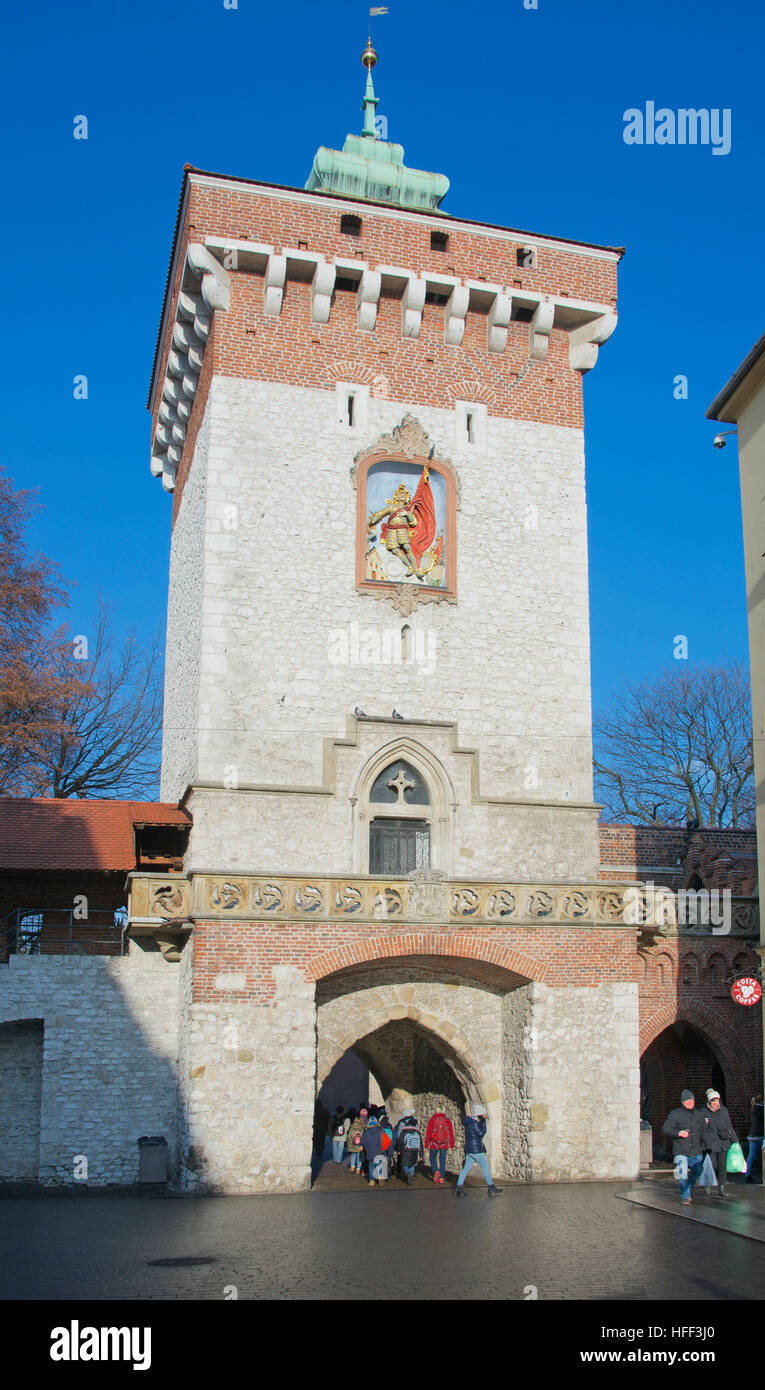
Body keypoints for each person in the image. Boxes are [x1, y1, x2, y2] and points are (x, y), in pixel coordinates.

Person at [662, 1089, 706, 1205]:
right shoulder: (675, 1114)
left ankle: (687, 1189)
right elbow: (665, 1128)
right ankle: (685, 1196)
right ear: (682, 1102)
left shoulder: (699, 1114)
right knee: (682, 1175)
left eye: (692, 1100)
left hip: (696, 1149)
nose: (690, 1102)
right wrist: (678, 1133)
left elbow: (704, 1131)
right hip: (681, 1150)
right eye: (687, 1101)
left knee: (698, 1170)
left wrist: (707, 1145)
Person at [454, 1106, 502, 1197]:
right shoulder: (474, 1123)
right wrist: (483, 1123)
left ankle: (458, 1188)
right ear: (480, 1114)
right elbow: (481, 1133)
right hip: (476, 1149)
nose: (484, 1116)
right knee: (485, 1167)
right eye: (483, 1114)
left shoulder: (469, 1121)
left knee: (466, 1169)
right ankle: (491, 1187)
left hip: (469, 1149)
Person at [701, 1089, 738, 1198]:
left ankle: (721, 1187)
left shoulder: (724, 1111)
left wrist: (735, 1140)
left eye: (717, 1100)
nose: (715, 1103)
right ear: (709, 1101)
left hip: (723, 1142)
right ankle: (708, 1183)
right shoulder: (703, 1112)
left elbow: (729, 1125)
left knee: (722, 1166)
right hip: (710, 1143)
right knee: (712, 1165)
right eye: (713, 1100)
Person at [425, 1110, 455, 1184]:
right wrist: (451, 1144)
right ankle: (441, 1178)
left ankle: (436, 1171)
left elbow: (428, 1133)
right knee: (442, 1160)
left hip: (434, 1144)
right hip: (444, 1144)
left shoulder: (432, 1120)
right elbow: (451, 1133)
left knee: (432, 1158)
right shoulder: (447, 1120)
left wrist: (426, 1144)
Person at [396, 1112, 424, 1185]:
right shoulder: (417, 1132)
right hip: (415, 1150)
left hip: (406, 1150)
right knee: (412, 1164)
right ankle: (411, 1176)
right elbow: (421, 1144)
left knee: (404, 1165)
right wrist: (421, 1154)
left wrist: (399, 1150)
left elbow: (400, 1141)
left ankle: (408, 1174)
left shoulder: (404, 1131)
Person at [361, 1113, 387, 1187]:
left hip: (370, 1151)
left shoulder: (366, 1131)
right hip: (379, 1151)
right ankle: (380, 1178)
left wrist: (366, 1147)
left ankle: (372, 1181)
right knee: (379, 1165)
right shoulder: (380, 1130)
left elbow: (363, 1141)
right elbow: (385, 1140)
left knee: (371, 1166)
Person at [745, 1094, 764, 1182]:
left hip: (752, 1135)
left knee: (751, 1155)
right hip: (761, 1135)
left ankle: (747, 1173)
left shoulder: (752, 1109)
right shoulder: (763, 1110)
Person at [346, 1108, 367, 1174]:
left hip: (353, 1145)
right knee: (359, 1157)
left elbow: (349, 1137)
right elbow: (364, 1137)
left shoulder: (352, 1127)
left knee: (353, 1156)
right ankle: (358, 1169)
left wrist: (348, 1145)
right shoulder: (362, 1128)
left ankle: (352, 1167)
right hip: (359, 1145)